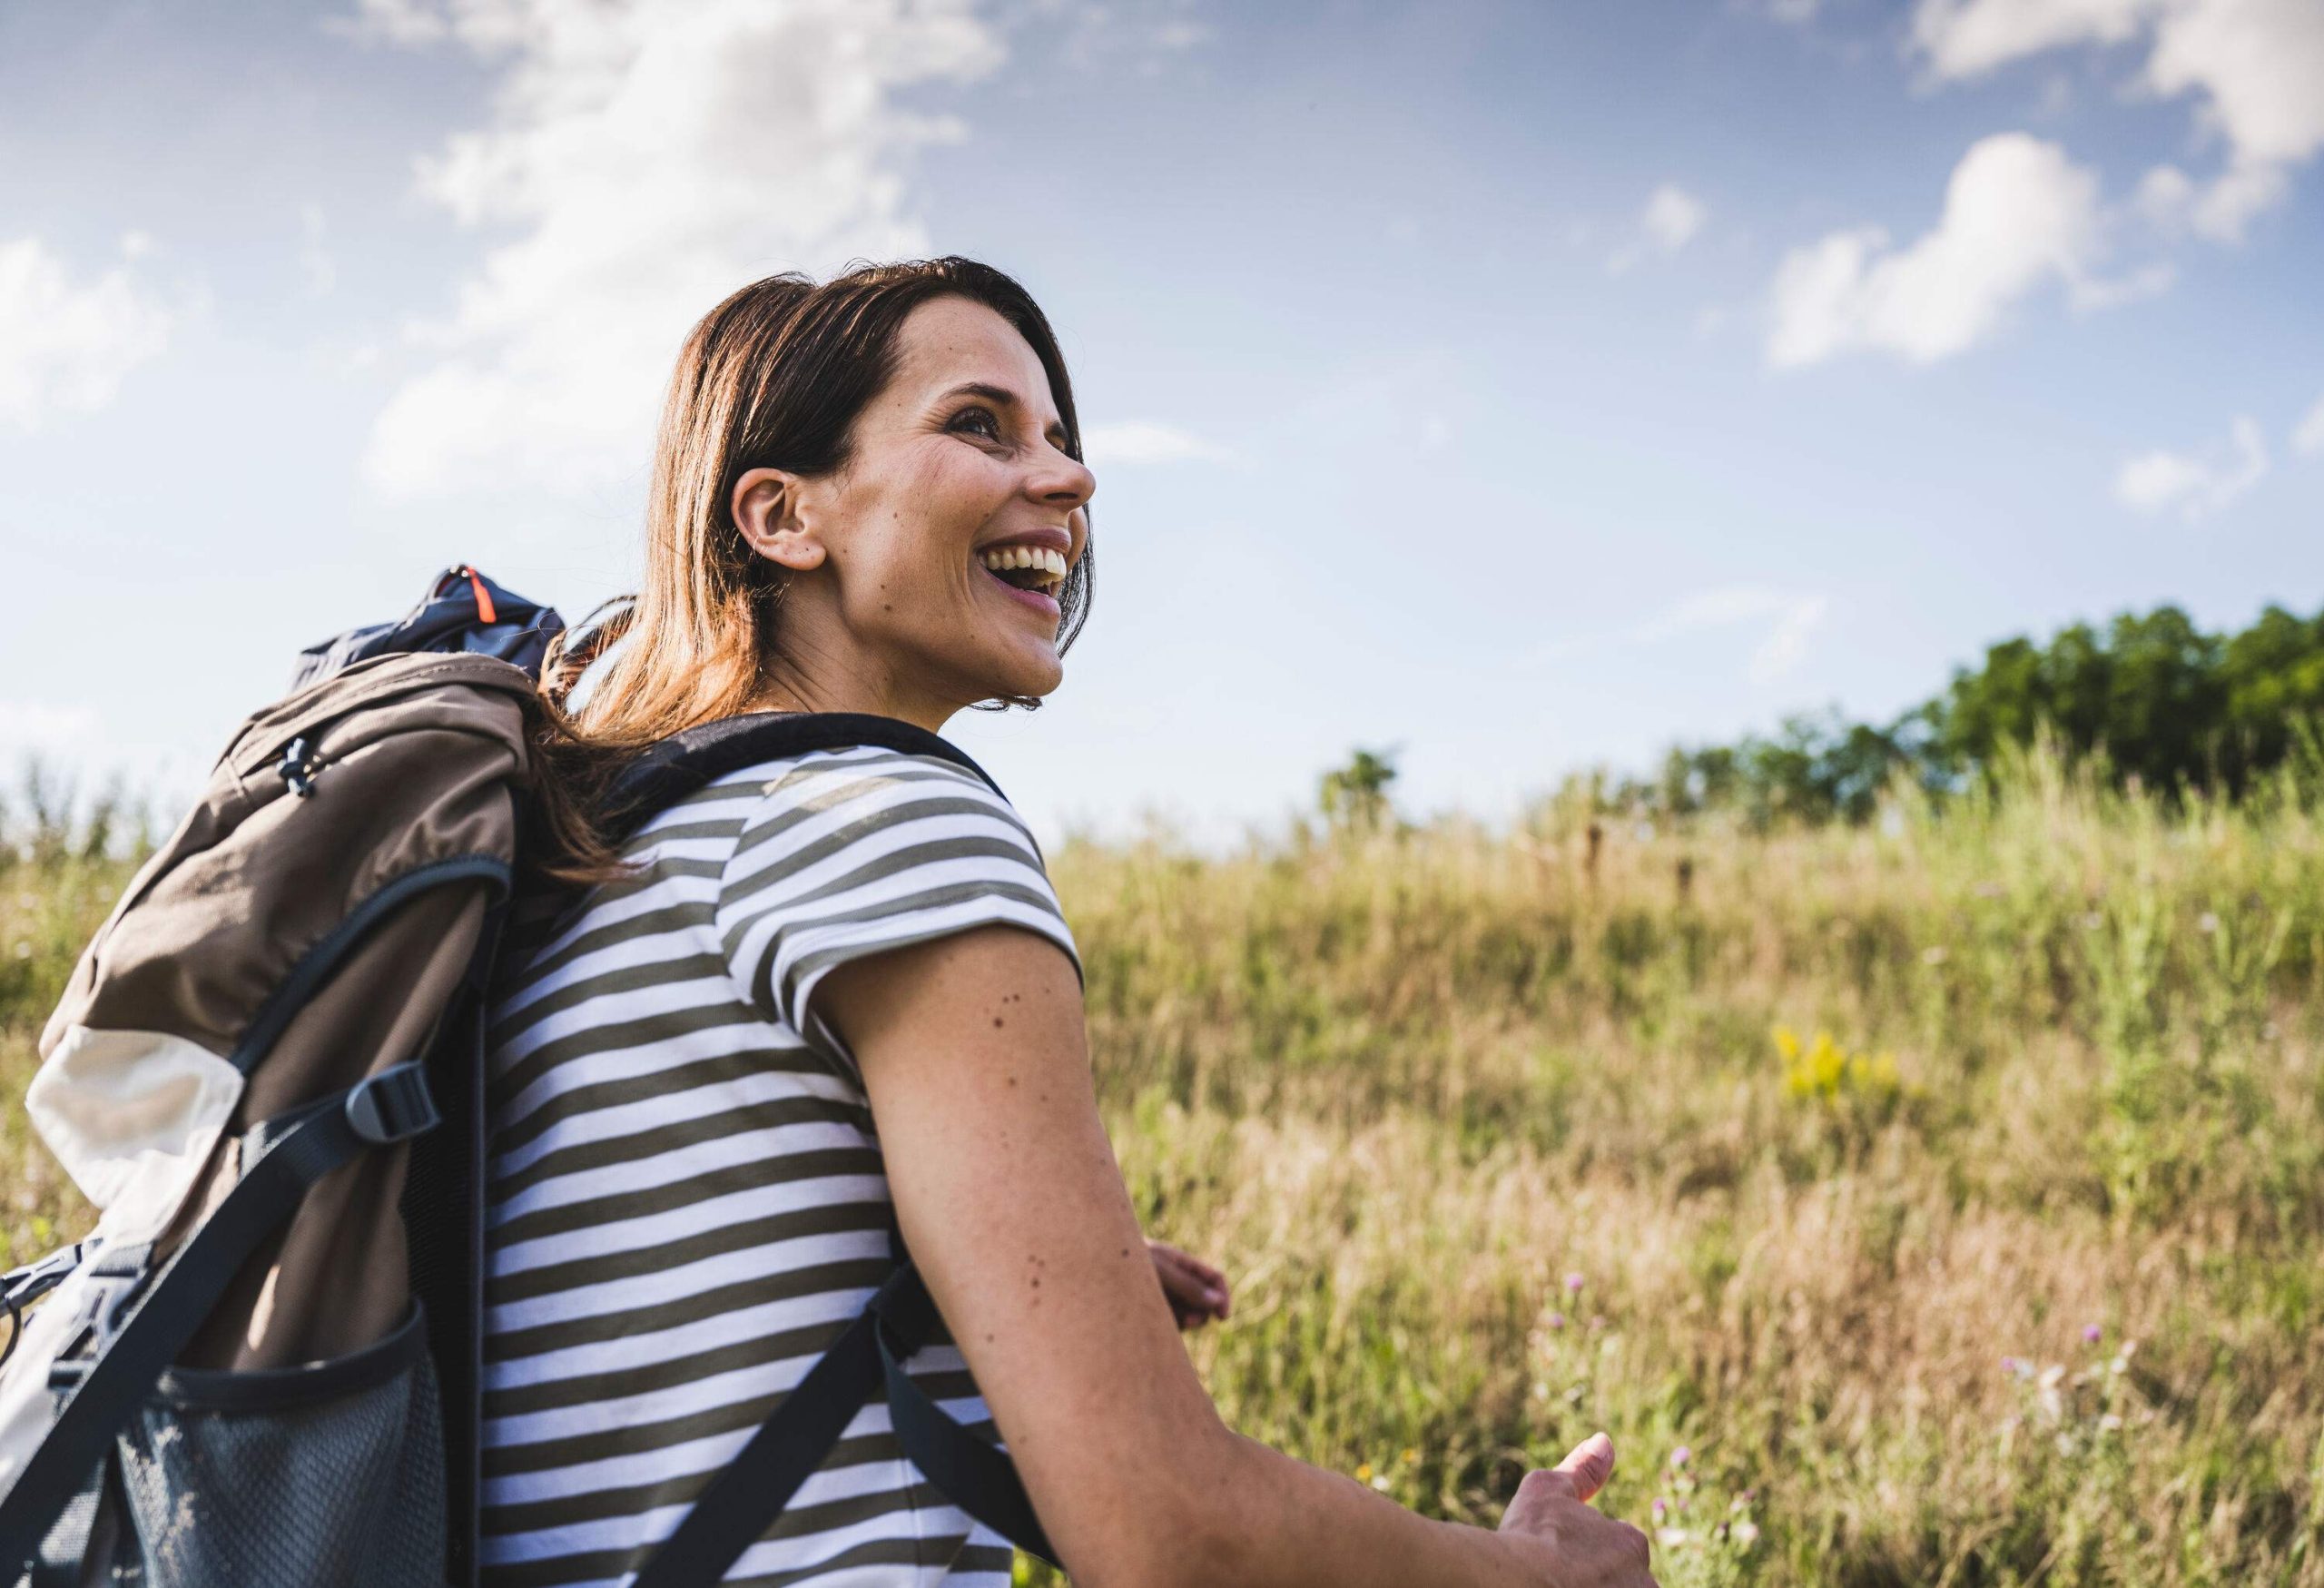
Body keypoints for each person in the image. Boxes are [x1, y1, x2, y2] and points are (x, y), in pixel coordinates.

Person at [483, 257, 1658, 1588]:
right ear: (782, 515)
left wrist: (974, 1260)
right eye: (979, 425)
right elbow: (1167, 1531)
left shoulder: (602, 856)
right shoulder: (883, 825)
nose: (1071, 479)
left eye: (1061, 438)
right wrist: (1538, 1572)